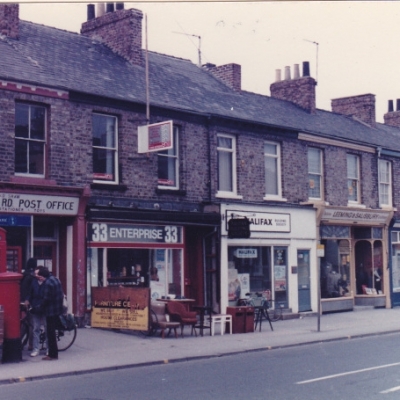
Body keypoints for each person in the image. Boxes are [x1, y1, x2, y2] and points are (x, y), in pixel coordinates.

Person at [36, 266, 64, 361]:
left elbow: (46, 299)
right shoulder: (56, 279)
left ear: (43, 275)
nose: (38, 277)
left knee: (50, 333)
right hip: (57, 309)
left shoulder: (47, 283)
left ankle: (52, 355)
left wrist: (39, 308)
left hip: (50, 311)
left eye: (39, 275)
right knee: (53, 332)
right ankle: (54, 353)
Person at [26, 267, 47, 357]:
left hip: (45, 307)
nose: (36, 276)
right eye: (35, 274)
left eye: (37, 274)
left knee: (47, 328)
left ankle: (48, 348)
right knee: (36, 328)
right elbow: (30, 293)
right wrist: (27, 300)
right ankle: (35, 349)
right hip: (35, 307)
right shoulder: (34, 281)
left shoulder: (47, 282)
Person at [20, 258, 37, 351]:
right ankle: (30, 344)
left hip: (22, 301)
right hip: (28, 302)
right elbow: (31, 290)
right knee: (32, 324)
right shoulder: (31, 277)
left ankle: (20, 341)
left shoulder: (24, 274)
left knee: (25, 323)